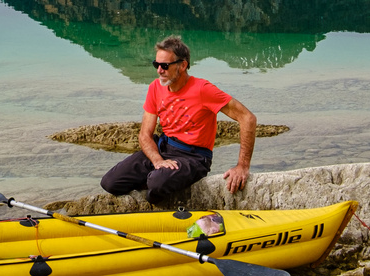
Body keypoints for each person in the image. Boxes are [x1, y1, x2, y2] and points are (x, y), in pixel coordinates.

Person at [100, 35, 256, 206]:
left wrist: (242, 166)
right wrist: (158, 161)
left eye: (165, 66)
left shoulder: (203, 89)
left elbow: (247, 118)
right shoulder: (155, 88)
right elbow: (145, 135)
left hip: (194, 157)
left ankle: (158, 193)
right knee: (110, 183)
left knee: (156, 183)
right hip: (164, 148)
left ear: (183, 65)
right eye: (156, 65)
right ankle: (158, 179)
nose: (159, 70)